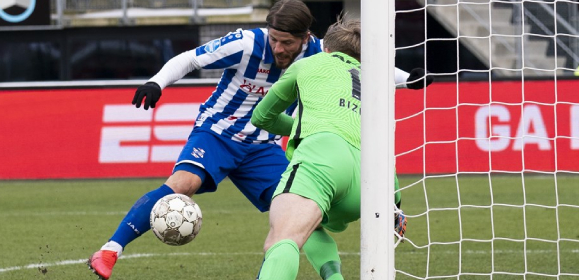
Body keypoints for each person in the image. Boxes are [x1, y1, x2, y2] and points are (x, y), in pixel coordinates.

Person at [87, 1, 430, 279]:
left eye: (287, 43)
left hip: (263, 146)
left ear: (305, 38)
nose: (278, 48)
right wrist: (157, 83)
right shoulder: (246, 42)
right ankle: (109, 251)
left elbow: (358, 65)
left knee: (304, 215)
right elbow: (190, 59)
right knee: (183, 182)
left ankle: (332, 276)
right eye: (274, 39)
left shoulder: (317, 52)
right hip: (219, 132)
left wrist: (406, 79)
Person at [251, 17, 419, 279]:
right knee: (310, 225)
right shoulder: (376, 81)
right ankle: (333, 276)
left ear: (325, 49)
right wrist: (395, 204)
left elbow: (261, 117)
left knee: (282, 239)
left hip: (323, 159)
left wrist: (302, 124)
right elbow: (384, 149)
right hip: (370, 182)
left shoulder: (309, 63)